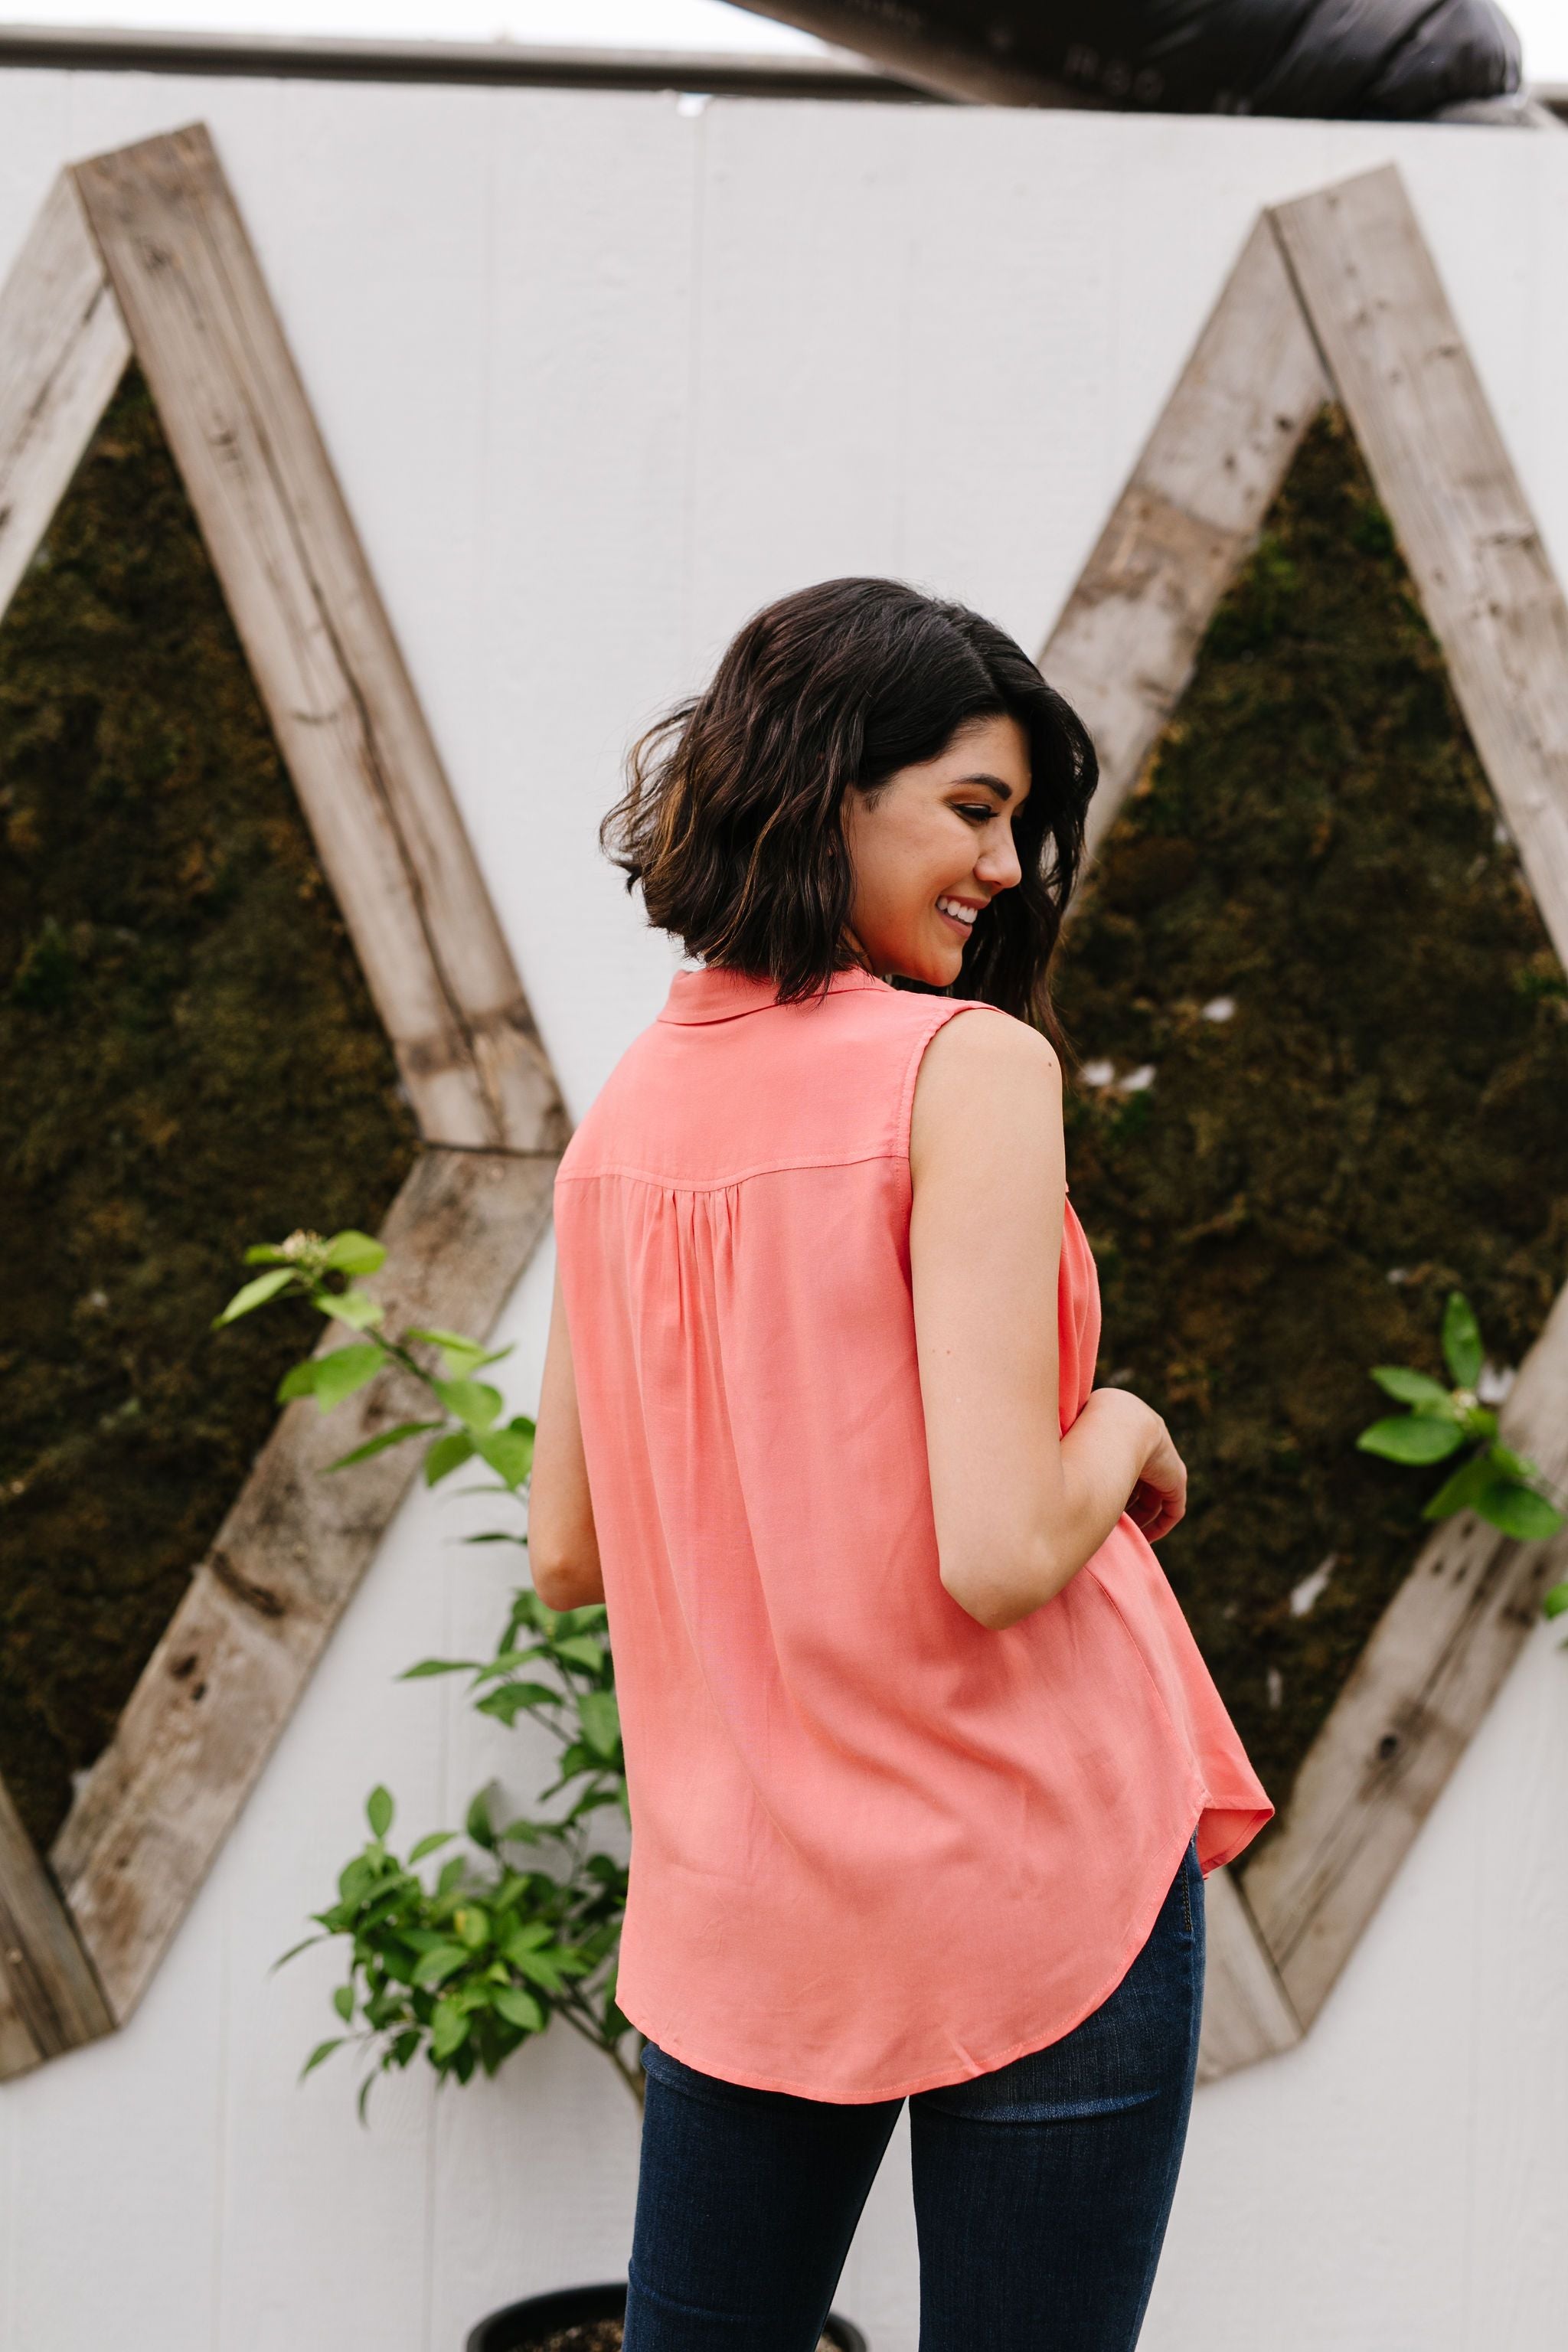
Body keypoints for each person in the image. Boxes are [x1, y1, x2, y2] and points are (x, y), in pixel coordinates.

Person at [528, 577, 1273, 2350]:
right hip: (1030, 1869)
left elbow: (566, 1549)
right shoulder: (970, 1068)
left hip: (753, 1902)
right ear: (825, 790)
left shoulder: (626, 1110)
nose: (1008, 869)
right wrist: (1128, 1426)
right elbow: (1007, 1549)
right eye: (973, 809)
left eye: (1018, 826)